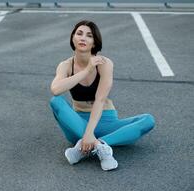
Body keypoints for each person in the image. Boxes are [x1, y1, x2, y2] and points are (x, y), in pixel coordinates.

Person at [50, 20, 155, 171]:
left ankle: (98, 145)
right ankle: (96, 145)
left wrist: (89, 135)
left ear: (94, 42)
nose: (83, 38)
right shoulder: (65, 65)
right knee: (56, 101)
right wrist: (86, 70)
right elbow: (55, 89)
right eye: (79, 33)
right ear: (73, 38)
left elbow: (100, 100)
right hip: (77, 124)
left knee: (148, 120)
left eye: (89, 35)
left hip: (106, 121)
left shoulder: (105, 64)